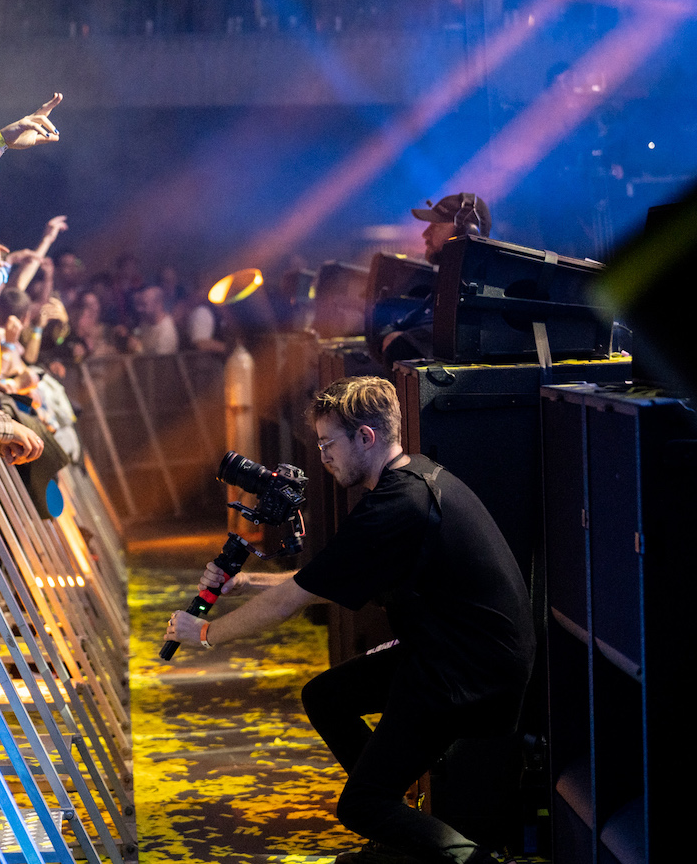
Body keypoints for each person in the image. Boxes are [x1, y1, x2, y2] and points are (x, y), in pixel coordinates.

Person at [165, 376, 534, 864]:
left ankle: (471, 860)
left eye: (327, 443)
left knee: (359, 804)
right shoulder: (410, 479)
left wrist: (205, 633)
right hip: (454, 648)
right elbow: (322, 582)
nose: (322, 456)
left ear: (366, 437)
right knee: (327, 697)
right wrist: (247, 584)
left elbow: (289, 603)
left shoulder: (396, 506)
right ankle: (398, 823)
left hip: (468, 666)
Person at [381, 193, 493, 364]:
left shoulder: (484, 285)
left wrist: (401, 341)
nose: (425, 235)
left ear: (466, 230)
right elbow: (396, 329)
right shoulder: (447, 279)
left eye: (436, 226)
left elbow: (401, 346)